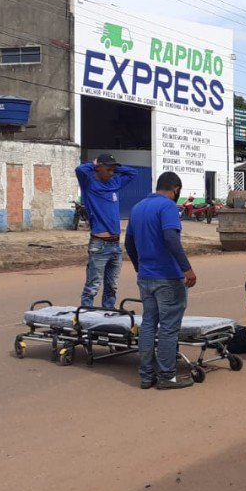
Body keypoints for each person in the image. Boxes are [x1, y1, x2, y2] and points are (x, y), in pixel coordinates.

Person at [124, 171, 198, 390]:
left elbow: (129, 244)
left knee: (148, 324)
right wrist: (187, 269)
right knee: (168, 328)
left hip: (146, 278)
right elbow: (170, 237)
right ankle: (166, 375)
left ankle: (146, 375)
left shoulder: (137, 208)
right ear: (176, 189)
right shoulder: (168, 207)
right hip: (168, 278)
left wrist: (141, 268)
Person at [76, 153, 137, 309]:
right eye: (108, 169)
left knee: (112, 286)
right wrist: (95, 164)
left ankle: (108, 313)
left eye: (113, 170)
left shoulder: (115, 182)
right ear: (98, 168)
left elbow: (133, 173)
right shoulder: (89, 183)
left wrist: (116, 168)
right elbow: (80, 169)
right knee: (93, 285)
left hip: (115, 245)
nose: (111, 173)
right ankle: (85, 315)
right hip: (99, 244)